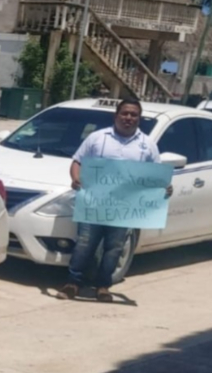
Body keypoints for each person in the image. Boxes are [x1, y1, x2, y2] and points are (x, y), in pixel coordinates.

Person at [56, 98, 172, 303]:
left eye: (133, 115)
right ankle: (73, 283)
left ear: (139, 118)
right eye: (125, 113)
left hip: (124, 207)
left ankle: (103, 287)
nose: (128, 118)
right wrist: (76, 178)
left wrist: (164, 188)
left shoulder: (147, 145)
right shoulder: (97, 138)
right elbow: (77, 161)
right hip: (94, 203)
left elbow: (155, 175)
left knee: (114, 248)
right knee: (84, 244)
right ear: (116, 115)